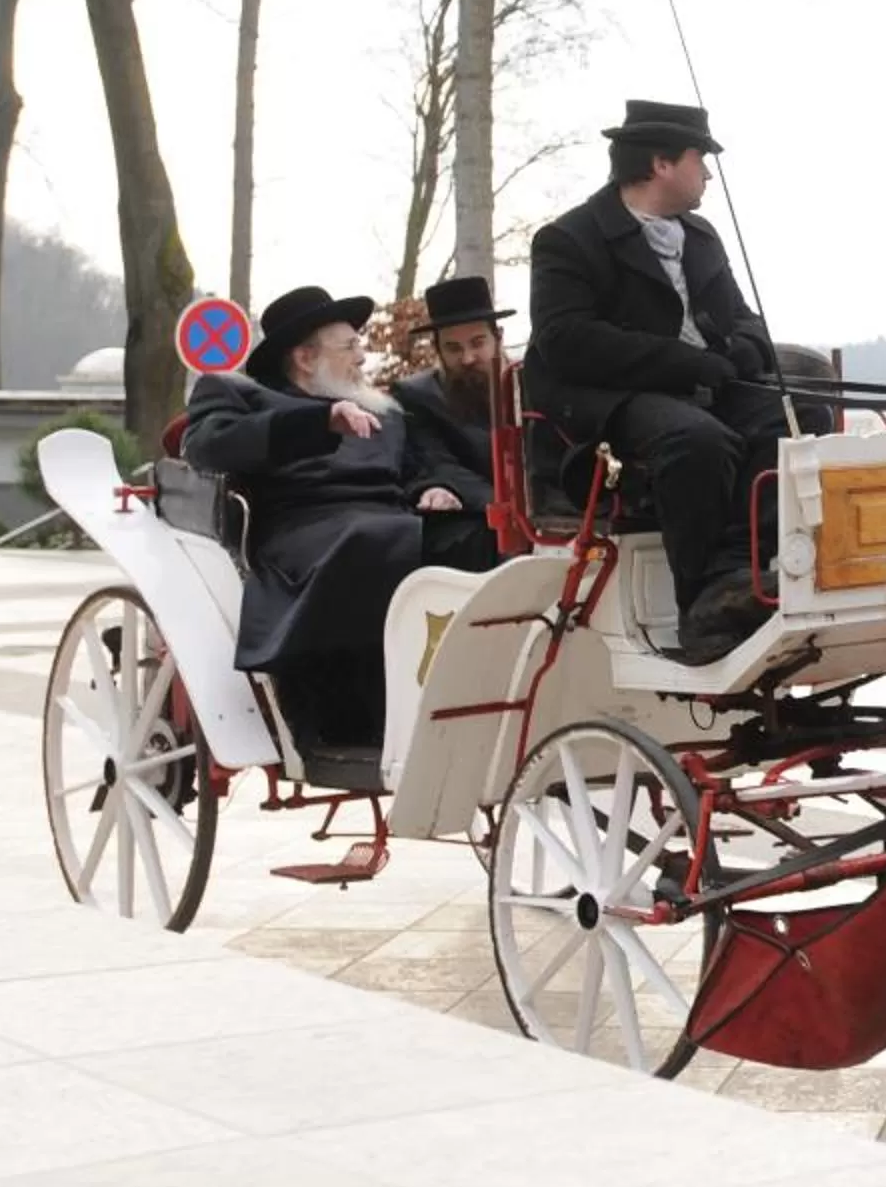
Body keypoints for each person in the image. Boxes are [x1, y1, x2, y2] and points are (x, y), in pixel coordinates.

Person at [524, 100, 790, 665]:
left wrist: (742, 350)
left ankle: (738, 570)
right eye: (702, 159)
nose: (709, 173)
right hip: (604, 395)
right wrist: (684, 363)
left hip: (694, 388)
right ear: (662, 164)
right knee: (695, 439)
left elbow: (743, 318)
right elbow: (566, 340)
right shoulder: (568, 239)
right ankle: (701, 605)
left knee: (794, 417)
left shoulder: (700, 237)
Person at [182, 285, 499, 744]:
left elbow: (417, 468)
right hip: (303, 532)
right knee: (372, 541)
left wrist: (434, 488)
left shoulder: (384, 409)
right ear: (307, 359)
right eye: (351, 346)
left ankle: (476, 690)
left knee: (479, 536)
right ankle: (358, 718)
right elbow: (208, 446)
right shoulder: (236, 392)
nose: (363, 358)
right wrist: (319, 422)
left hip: (392, 522)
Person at [391, 274, 510, 515]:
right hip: (480, 516)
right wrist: (509, 512)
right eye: (453, 348)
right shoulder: (418, 397)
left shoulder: (530, 385)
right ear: (438, 349)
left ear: (498, 338)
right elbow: (441, 466)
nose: (467, 358)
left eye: (477, 343)